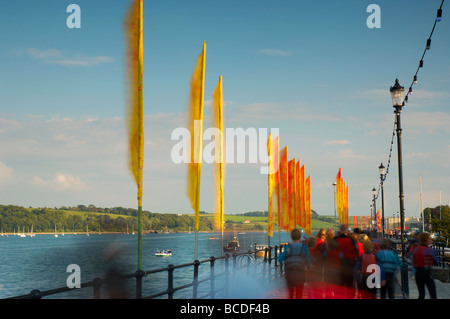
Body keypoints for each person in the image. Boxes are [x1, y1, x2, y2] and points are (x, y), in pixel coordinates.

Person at [278, 228, 311, 299]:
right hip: (301, 274)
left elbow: (280, 258)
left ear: (291, 237)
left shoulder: (288, 247)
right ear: (300, 236)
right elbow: (309, 260)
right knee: (299, 295)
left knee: (291, 295)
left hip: (290, 273)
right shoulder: (304, 248)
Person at [334, 224, 358, 298]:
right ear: (346, 230)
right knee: (349, 286)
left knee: (339, 286)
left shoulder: (335, 239)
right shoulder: (351, 240)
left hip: (338, 265)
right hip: (349, 265)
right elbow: (356, 251)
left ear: (340, 229)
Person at [412, 232, 438, 299]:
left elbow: (413, 260)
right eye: (430, 239)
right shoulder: (429, 250)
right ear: (427, 240)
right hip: (426, 272)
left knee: (421, 294)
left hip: (417, 273)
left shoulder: (416, 249)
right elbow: (436, 261)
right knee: (432, 292)